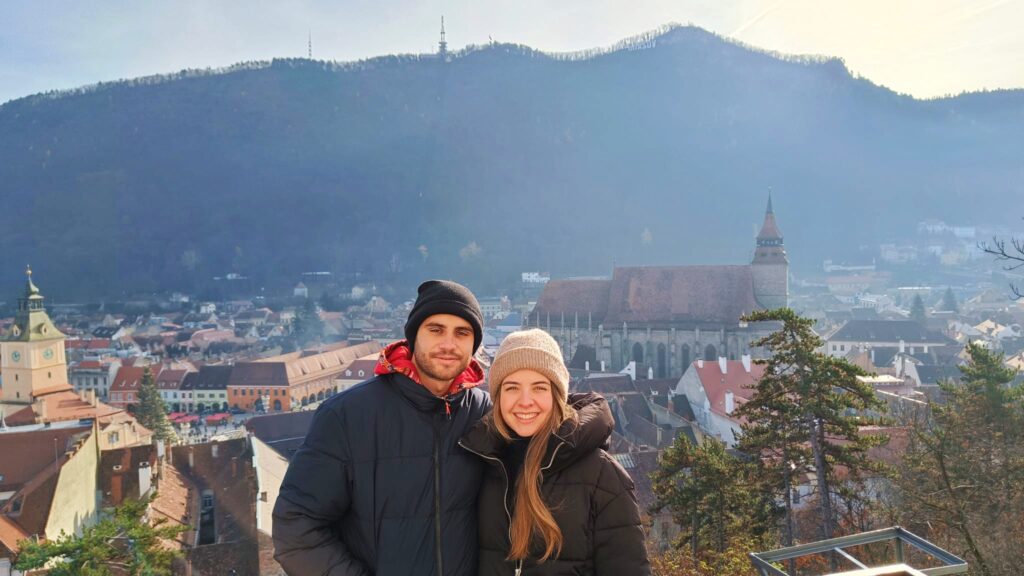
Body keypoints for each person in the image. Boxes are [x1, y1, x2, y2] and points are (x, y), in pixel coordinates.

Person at [273, 280, 491, 575]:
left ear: (473, 345)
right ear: (414, 336)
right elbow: (296, 528)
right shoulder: (347, 417)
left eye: (462, 333)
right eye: (436, 329)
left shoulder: (483, 413)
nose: (449, 344)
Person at [460, 329, 651, 575]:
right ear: (497, 396)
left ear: (557, 396)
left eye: (539, 387)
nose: (525, 401)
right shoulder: (480, 464)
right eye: (511, 388)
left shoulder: (602, 476)